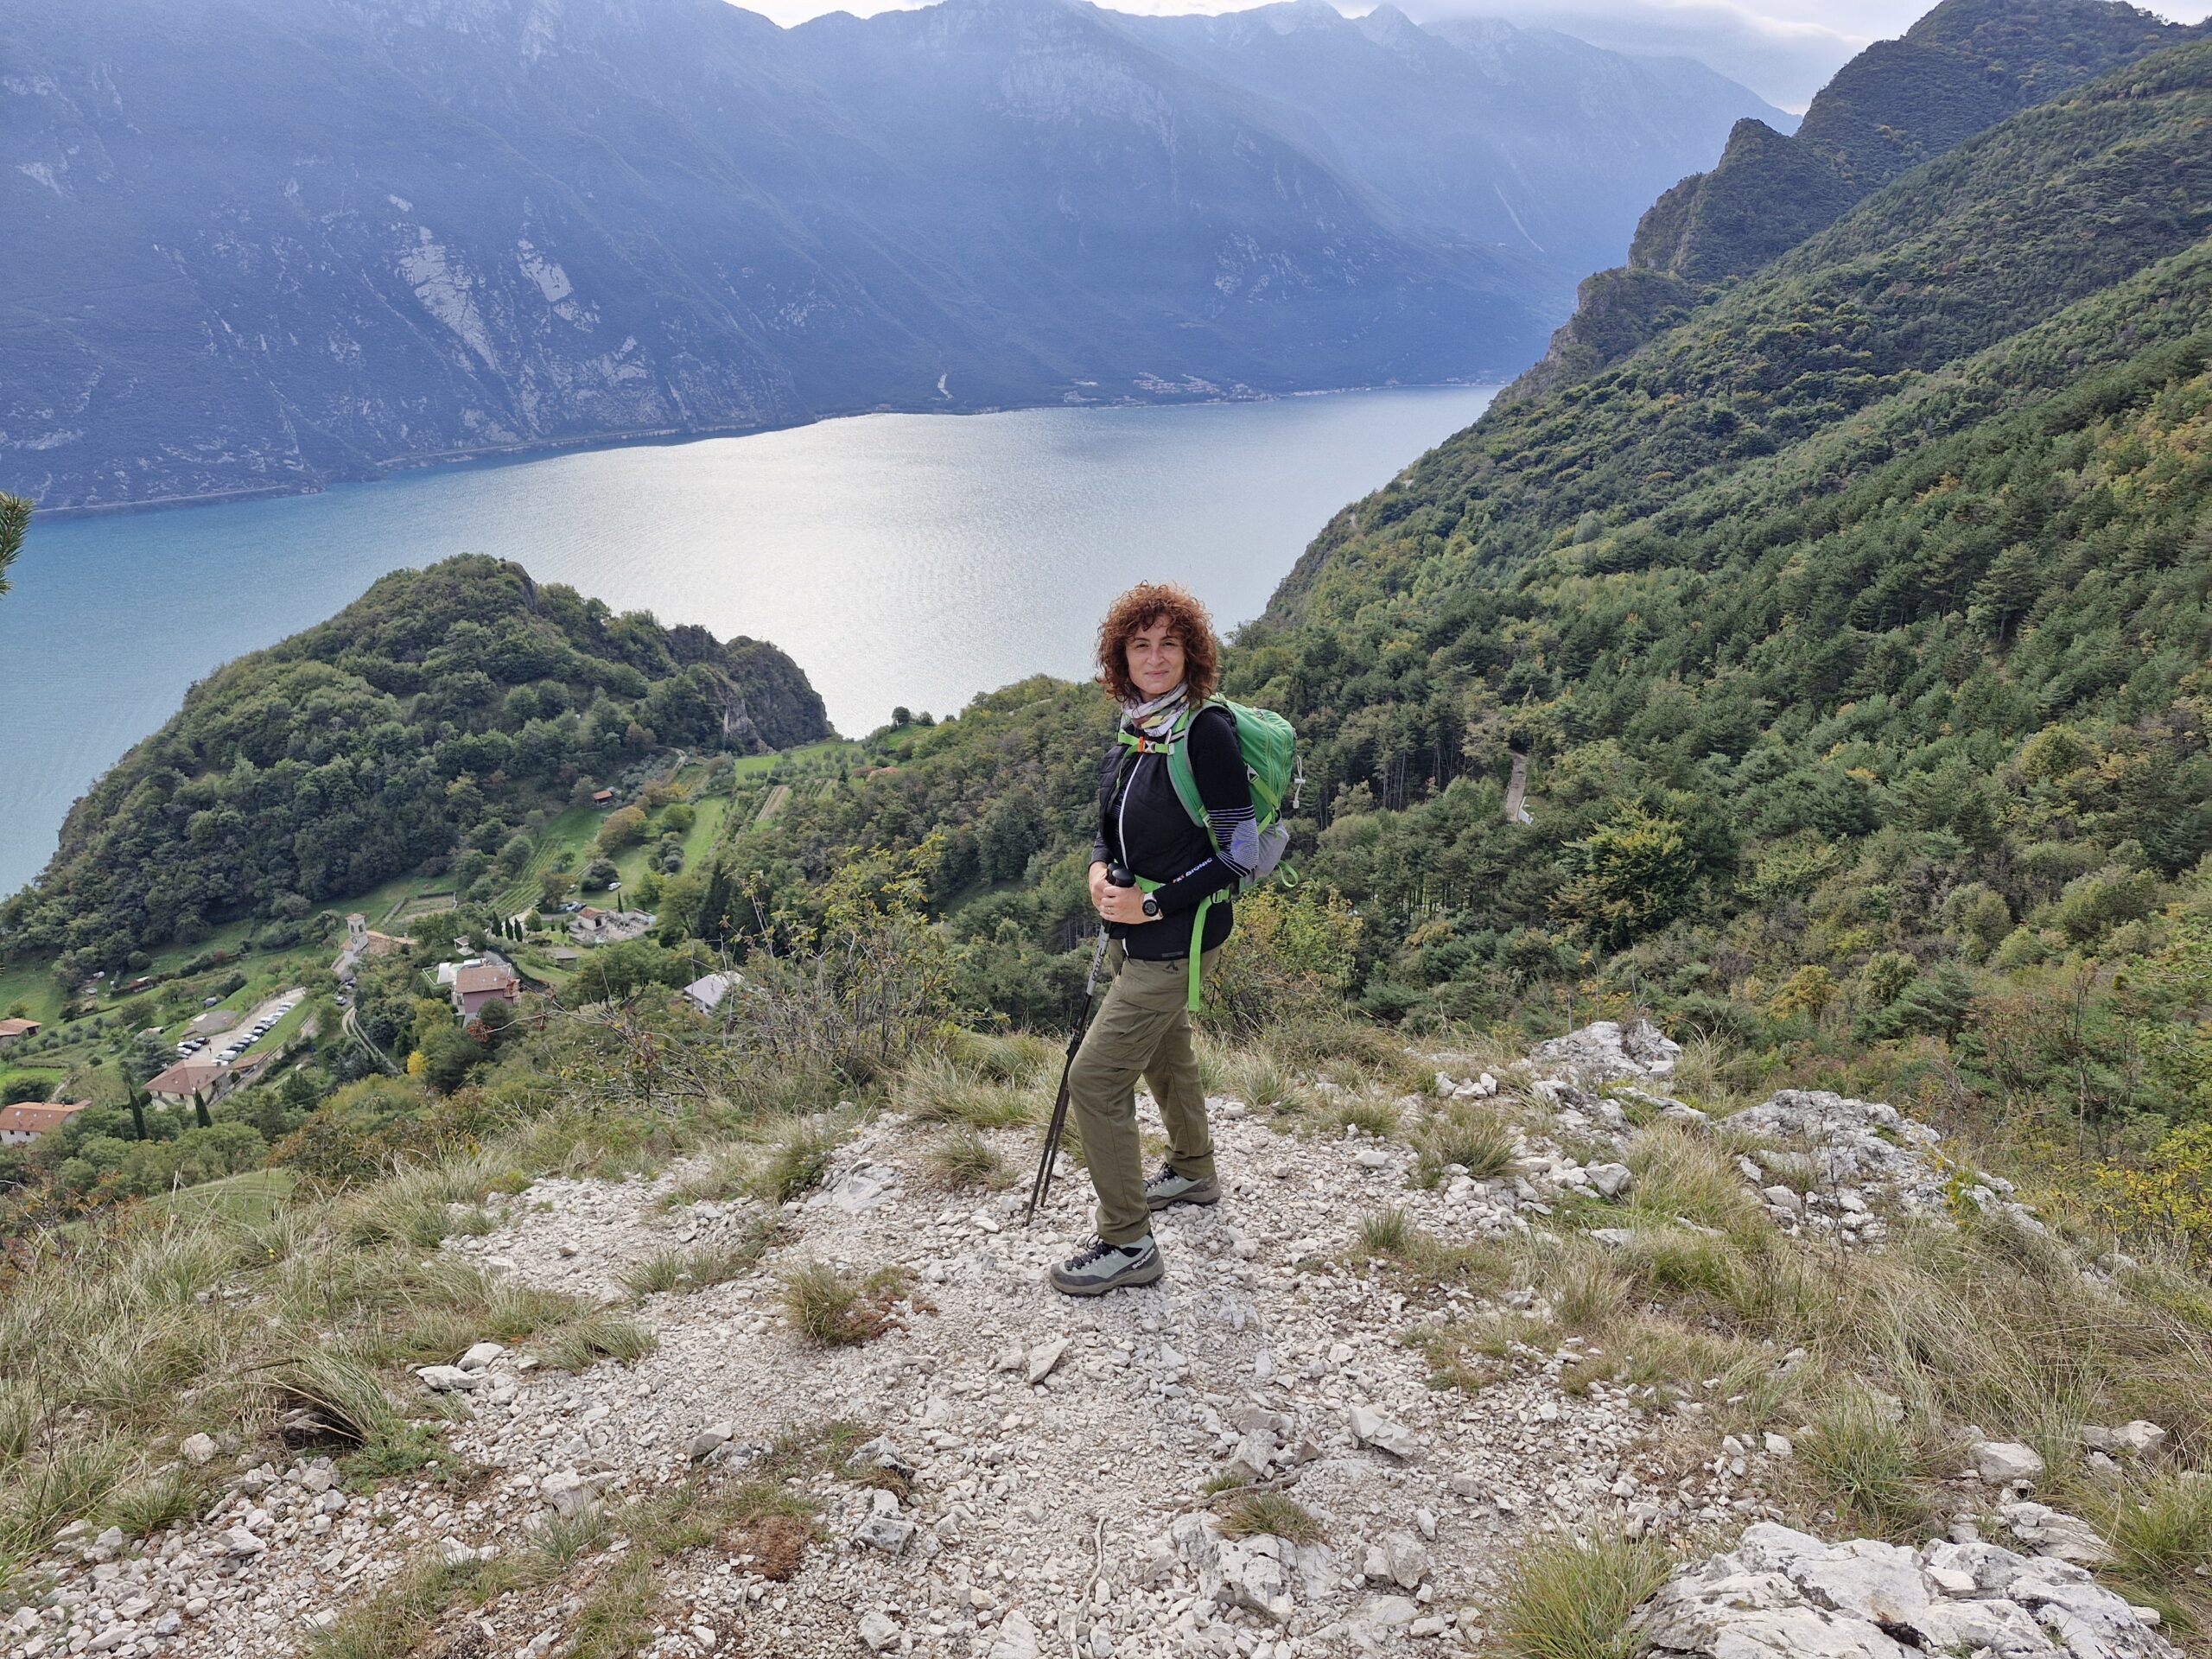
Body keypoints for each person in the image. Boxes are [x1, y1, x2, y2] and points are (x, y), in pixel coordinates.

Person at [1049, 582, 1261, 1297]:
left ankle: (1129, 1242)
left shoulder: (1204, 732)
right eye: (1141, 644)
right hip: (1143, 941)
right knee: (1165, 1055)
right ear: (1121, 658)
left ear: (1191, 652)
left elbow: (1241, 853)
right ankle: (1194, 1171)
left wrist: (1152, 905)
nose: (1155, 656)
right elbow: (1110, 834)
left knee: (1094, 1078)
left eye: (1170, 642)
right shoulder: (1136, 733)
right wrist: (1098, 875)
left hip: (1173, 940)